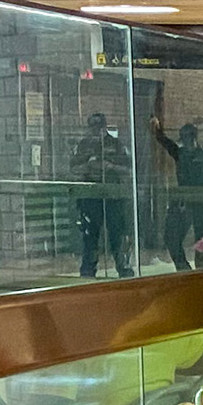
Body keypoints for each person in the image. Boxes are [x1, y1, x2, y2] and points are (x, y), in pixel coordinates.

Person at [154, 115, 203, 272]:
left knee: (202, 241)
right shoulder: (181, 153)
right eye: (185, 138)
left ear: (194, 138)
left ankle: (201, 272)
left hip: (202, 201)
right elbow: (165, 142)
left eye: (189, 138)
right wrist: (157, 129)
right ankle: (185, 269)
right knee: (172, 238)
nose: (187, 141)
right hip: (185, 201)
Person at [72, 112, 134, 279]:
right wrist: (89, 165)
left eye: (98, 127)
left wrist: (110, 166)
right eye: (92, 127)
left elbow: (129, 169)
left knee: (117, 234)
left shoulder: (116, 144)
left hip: (113, 197)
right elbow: (74, 169)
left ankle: (123, 267)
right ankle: (88, 270)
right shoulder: (84, 145)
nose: (95, 131)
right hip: (91, 197)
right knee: (90, 235)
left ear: (104, 127)